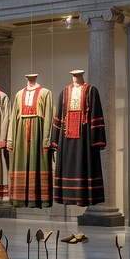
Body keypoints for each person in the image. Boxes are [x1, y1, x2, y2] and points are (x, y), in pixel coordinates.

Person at [49, 69, 107, 206]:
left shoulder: (92, 91)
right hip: (66, 138)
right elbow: (59, 115)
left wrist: (96, 139)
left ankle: (84, 196)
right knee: (66, 166)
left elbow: (95, 113)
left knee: (84, 165)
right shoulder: (64, 93)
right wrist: (54, 140)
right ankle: (66, 196)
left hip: (85, 138)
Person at [7, 73, 54, 208]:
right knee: (20, 162)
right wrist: (10, 139)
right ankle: (20, 198)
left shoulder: (46, 93)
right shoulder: (19, 94)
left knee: (38, 162)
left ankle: (38, 199)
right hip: (20, 134)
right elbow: (13, 118)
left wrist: (46, 140)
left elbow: (48, 117)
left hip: (38, 133)